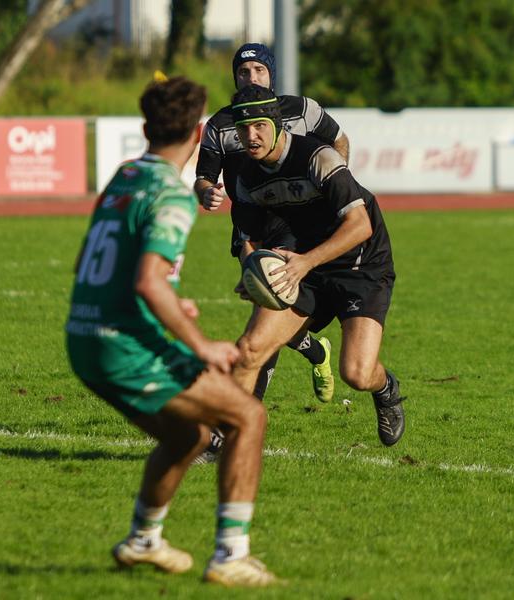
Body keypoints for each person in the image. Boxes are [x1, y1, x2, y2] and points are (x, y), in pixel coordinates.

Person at [65, 75, 278, 587]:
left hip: (83, 335)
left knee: (189, 435)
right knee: (247, 416)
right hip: (123, 342)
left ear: (144, 128)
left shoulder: (125, 174)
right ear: (201, 130)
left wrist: (166, 296)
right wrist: (201, 344)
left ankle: (144, 540)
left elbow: (98, 261)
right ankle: (230, 554)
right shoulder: (172, 195)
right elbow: (147, 280)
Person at [228, 84, 406, 447]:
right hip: (302, 263)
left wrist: (303, 263)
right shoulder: (246, 176)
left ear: (277, 125)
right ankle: (224, 440)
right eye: (244, 129)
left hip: (360, 264)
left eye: (259, 126)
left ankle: (385, 388)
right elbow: (249, 236)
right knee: (250, 350)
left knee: (356, 373)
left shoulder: (317, 157)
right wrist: (251, 270)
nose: (251, 136)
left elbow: (360, 225)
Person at [195, 42, 349, 404]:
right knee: (272, 307)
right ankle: (315, 351)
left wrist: (337, 180)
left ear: (271, 75)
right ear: (235, 77)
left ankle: (247, 410)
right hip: (249, 226)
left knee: (265, 319)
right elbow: (203, 177)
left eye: (259, 70)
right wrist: (205, 192)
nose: (252, 77)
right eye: (244, 72)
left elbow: (339, 140)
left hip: (297, 224)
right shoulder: (220, 124)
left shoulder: (302, 110)